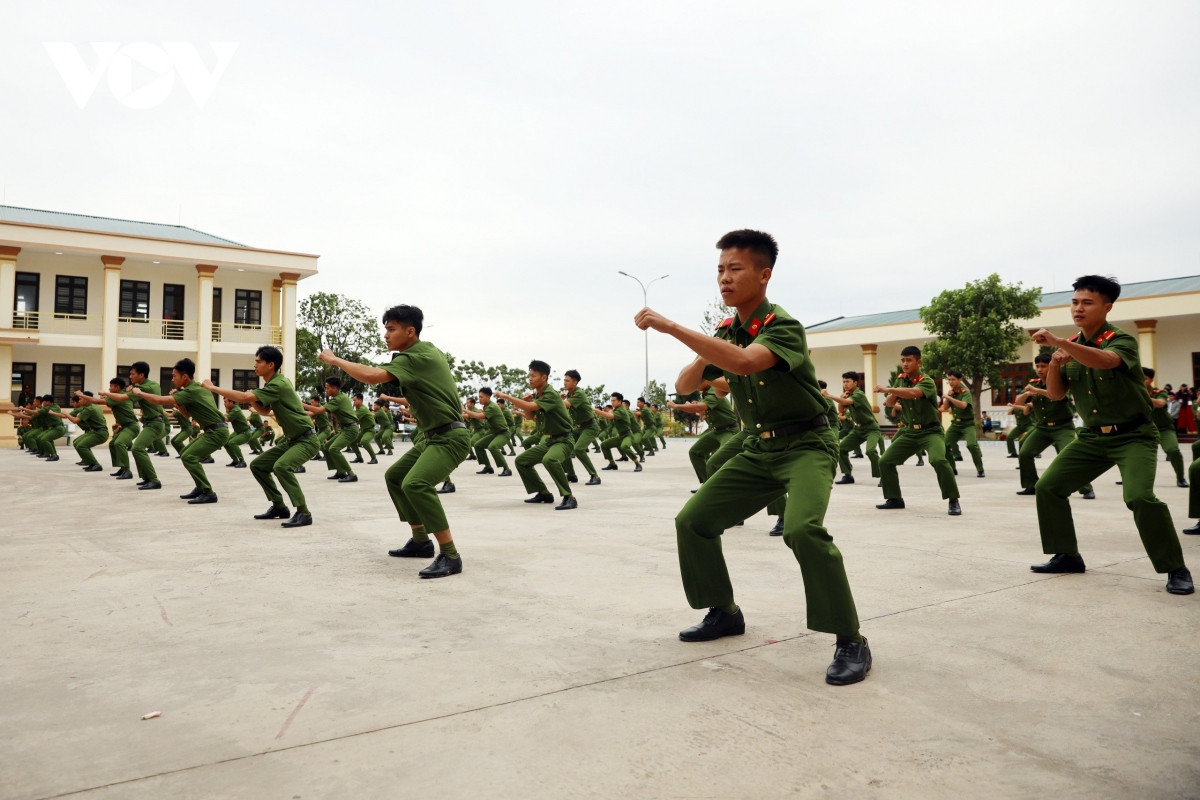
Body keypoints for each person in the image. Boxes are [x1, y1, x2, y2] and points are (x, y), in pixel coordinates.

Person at [634, 228, 870, 686]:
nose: (724, 278)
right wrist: (703, 347)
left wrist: (672, 327)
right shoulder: (728, 331)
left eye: (734, 268)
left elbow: (744, 363)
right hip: (758, 446)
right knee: (693, 520)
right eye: (720, 269)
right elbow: (685, 386)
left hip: (806, 444)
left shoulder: (782, 326)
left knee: (802, 529)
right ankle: (723, 612)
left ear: (764, 275)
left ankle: (850, 638)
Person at [1028, 275, 1192, 596]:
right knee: (1048, 487)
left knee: (1140, 497)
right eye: (1075, 302)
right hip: (1091, 438)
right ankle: (1067, 556)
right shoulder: (1070, 347)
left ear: (1107, 306)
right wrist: (1057, 366)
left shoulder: (1121, 340)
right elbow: (1058, 395)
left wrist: (1061, 344)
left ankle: (1175, 567)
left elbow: (1106, 361)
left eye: (1087, 302)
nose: (1078, 308)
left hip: (1134, 435)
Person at [320, 304, 471, 577]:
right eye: (386, 329)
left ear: (410, 331)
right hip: (433, 436)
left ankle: (450, 555)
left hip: (450, 437)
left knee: (416, 483)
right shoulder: (424, 352)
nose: (386, 335)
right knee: (395, 476)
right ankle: (421, 541)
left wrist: (335, 360)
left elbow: (372, 376)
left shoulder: (415, 357)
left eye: (391, 329)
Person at [203, 346, 319, 527]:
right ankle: (279, 506)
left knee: (282, 466)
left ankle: (304, 512)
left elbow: (241, 397)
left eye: (258, 361)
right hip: (293, 440)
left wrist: (212, 387)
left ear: (271, 365)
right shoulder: (274, 384)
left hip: (306, 439)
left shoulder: (278, 384)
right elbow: (264, 409)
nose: (254, 365)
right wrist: (253, 398)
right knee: (258, 465)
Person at [874, 347, 962, 515]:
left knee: (938, 460)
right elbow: (890, 403)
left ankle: (953, 500)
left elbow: (915, 393)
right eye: (902, 360)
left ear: (918, 362)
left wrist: (889, 389)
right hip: (909, 433)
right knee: (885, 461)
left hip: (930, 432)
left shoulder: (926, 380)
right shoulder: (901, 380)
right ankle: (894, 498)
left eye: (909, 360)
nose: (905, 364)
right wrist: (893, 391)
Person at [131, 358, 231, 504]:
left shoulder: (191, 391)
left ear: (185, 377)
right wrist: (178, 399)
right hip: (212, 431)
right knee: (185, 454)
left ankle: (208, 492)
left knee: (189, 457)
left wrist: (139, 393)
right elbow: (186, 415)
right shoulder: (196, 388)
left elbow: (159, 401)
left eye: (174, 376)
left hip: (217, 431)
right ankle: (200, 487)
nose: (172, 379)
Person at [496, 362, 578, 510]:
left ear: (544, 377)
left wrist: (506, 396)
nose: (530, 379)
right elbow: (529, 415)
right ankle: (543, 493)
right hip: (550, 440)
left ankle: (569, 497)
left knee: (550, 459)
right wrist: (528, 401)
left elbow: (529, 408)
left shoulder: (551, 394)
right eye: (529, 376)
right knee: (521, 461)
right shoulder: (538, 395)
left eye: (533, 376)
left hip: (564, 440)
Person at [1013, 354, 1095, 500]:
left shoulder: (1061, 382)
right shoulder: (1035, 384)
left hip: (1063, 427)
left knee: (1070, 456)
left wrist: (1036, 391)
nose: (1039, 369)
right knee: (1025, 453)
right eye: (1037, 366)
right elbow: (1017, 401)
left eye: (1043, 366)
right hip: (1042, 428)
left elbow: (1056, 395)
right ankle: (1031, 485)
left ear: (1051, 367)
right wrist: (1027, 393)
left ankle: (1086, 488)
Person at [106, 362, 166, 490]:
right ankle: (146, 478)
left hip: (154, 423)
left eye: (133, 374)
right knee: (136, 448)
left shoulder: (143, 389)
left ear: (141, 374)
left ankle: (154, 480)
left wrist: (106, 393)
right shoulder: (152, 384)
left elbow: (122, 398)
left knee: (137, 448)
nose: (130, 376)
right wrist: (132, 389)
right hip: (150, 422)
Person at [669, 380, 737, 489]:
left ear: (707, 380)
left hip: (729, 431)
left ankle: (728, 486)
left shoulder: (715, 391)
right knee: (695, 452)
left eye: (698, 381)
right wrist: (695, 407)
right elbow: (702, 411)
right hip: (715, 431)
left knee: (719, 460)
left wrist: (676, 405)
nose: (695, 385)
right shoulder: (705, 394)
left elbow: (701, 408)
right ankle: (707, 485)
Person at [825, 371, 881, 484]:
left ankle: (883, 476)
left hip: (871, 428)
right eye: (844, 382)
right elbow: (841, 410)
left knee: (870, 450)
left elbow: (847, 402)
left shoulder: (859, 394)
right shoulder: (848, 394)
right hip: (858, 429)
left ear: (855, 382)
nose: (845, 384)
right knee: (841, 449)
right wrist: (841, 398)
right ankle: (848, 475)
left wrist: (829, 395)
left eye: (848, 381)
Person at [304, 377, 359, 483]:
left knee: (334, 448)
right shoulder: (340, 397)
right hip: (345, 428)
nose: (326, 390)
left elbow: (319, 410)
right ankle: (340, 472)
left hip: (350, 429)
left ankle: (352, 474)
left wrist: (301, 404)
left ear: (334, 388)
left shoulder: (338, 399)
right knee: (327, 447)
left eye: (327, 388)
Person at [1144, 368, 1188, 488]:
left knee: (1173, 450)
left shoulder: (1159, 392)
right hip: (1143, 429)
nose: (1142, 381)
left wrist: (1141, 398)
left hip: (1163, 428)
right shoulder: (1132, 391)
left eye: (1145, 379)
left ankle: (1181, 478)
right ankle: (1128, 478)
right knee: (1132, 453)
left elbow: (1160, 403)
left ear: (1152, 379)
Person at [940, 371, 985, 478]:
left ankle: (980, 469)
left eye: (953, 379)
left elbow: (964, 405)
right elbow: (945, 408)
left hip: (967, 424)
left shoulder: (965, 392)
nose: (950, 382)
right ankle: (952, 468)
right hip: (956, 424)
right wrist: (947, 397)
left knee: (971, 445)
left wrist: (950, 397)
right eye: (949, 379)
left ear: (960, 380)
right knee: (944, 445)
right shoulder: (951, 392)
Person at [562, 370, 602, 486]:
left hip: (590, 426)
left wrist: (554, 398)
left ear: (575, 382)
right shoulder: (570, 394)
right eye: (564, 380)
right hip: (579, 427)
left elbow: (566, 405)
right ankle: (571, 474)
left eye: (567, 381)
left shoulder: (579, 393)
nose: (564, 383)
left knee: (579, 449)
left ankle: (595, 476)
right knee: (564, 445)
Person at [56, 391, 110, 471]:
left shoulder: (89, 409)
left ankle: (96, 465)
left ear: (87, 399)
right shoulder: (95, 406)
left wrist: (66, 414)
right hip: (96, 431)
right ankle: (89, 462)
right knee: (77, 442)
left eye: (81, 399)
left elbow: (75, 421)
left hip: (100, 433)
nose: (79, 401)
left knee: (82, 446)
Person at [464, 387, 512, 476]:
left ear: (488, 397)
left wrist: (464, 410)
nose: (479, 399)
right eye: (479, 397)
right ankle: (488, 467)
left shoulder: (492, 406)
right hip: (495, 433)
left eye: (481, 397)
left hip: (503, 433)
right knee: (478, 445)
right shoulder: (486, 407)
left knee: (492, 447)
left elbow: (479, 416)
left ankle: (507, 469)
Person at [597, 392, 642, 471]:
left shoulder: (622, 410)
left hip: (628, 435)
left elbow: (609, 416)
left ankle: (637, 464)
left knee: (624, 446)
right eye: (611, 401)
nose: (612, 403)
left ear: (620, 401)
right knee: (604, 445)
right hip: (620, 436)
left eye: (614, 401)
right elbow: (611, 414)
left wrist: (596, 410)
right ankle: (612, 464)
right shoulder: (616, 409)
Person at [222, 397, 252, 468]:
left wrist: (217, 414)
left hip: (245, 433)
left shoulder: (236, 410)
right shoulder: (232, 409)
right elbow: (227, 414)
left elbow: (227, 419)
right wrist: (227, 408)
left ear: (231, 402)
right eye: (224, 402)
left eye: (226, 402)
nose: (224, 404)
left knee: (232, 442)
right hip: (238, 432)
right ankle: (235, 461)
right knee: (225, 443)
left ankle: (242, 461)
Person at [352, 393, 379, 465]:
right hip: (363, 430)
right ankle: (359, 458)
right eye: (353, 400)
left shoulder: (362, 409)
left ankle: (374, 458)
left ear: (360, 400)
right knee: (352, 441)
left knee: (364, 441)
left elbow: (353, 418)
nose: (354, 402)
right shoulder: (358, 409)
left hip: (370, 430)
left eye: (355, 400)